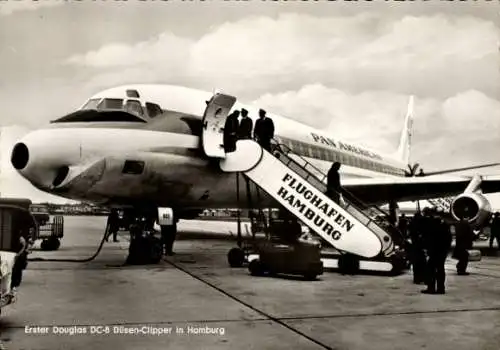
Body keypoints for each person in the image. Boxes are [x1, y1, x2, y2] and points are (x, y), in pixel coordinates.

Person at [421, 216, 452, 294]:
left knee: (430, 270)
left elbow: (430, 241)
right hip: (442, 253)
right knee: (440, 270)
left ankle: (431, 288)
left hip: (435, 253)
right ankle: (441, 288)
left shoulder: (433, 230)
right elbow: (449, 241)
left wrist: (428, 250)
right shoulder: (445, 230)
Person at [408, 212, 426, 284]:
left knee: (416, 264)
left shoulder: (412, 224)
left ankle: (417, 278)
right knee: (422, 263)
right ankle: (422, 277)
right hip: (419, 246)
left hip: (415, 246)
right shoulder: (421, 225)